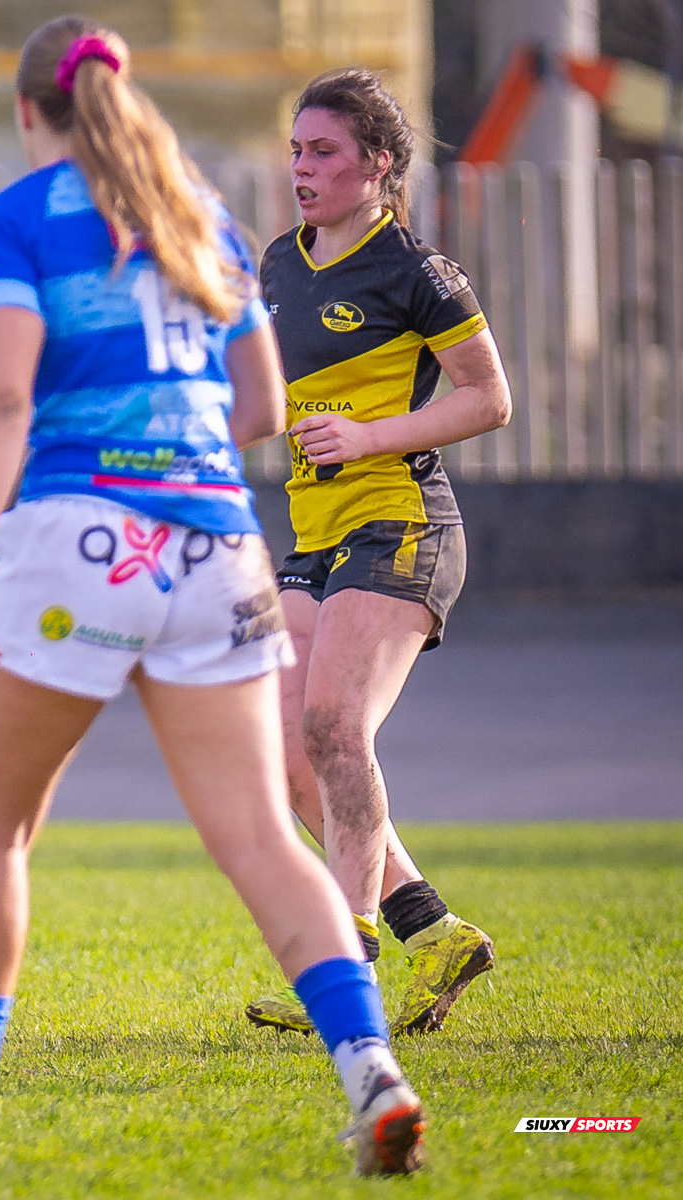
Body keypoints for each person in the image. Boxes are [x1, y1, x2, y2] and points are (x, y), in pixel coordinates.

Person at [0, 19, 426, 1176]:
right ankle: (374, 1072)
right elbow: (260, 406)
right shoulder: (200, 217)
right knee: (261, 835)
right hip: (221, 546)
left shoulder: (16, 218)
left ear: (30, 111)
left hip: (78, 540)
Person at [243, 68, 510, 1040]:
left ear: (378, 165)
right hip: (313, 536)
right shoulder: (280, 263)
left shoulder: (418, 273)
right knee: (286, 755)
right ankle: (431, 931)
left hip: (402, 524)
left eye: (324, 152)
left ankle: (343, 973)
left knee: (333, 727)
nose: (302, 169)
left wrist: (368, 436)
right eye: (296, 151)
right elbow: (264, 403)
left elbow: (489, 399)